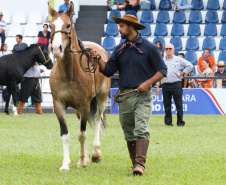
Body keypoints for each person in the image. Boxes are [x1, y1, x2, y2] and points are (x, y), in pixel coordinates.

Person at [90, 14, 167, 175]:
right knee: (128, 131)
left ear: (131, 27)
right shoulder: (120, 49)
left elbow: (162, 70)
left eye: (122, 26)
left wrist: (147, 83)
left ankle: (140, 165)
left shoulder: (148, 47)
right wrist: (98, 59)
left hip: (143, 96)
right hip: (124, 97)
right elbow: (109, 70)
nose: (119, 29)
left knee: (141, 128)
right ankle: (134, 163)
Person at [160, 43, 193, 127]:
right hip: (165, 84)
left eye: (170, 49)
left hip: (176, 84)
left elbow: (190, 65)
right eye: (166, 48)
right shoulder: (161, 60)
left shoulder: (178, 59)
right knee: (166, 105)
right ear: (164, 50)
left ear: (173, 50)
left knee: (179, 104)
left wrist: (183, 72)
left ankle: (180, 122)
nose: (168, 50)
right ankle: (168, 122)